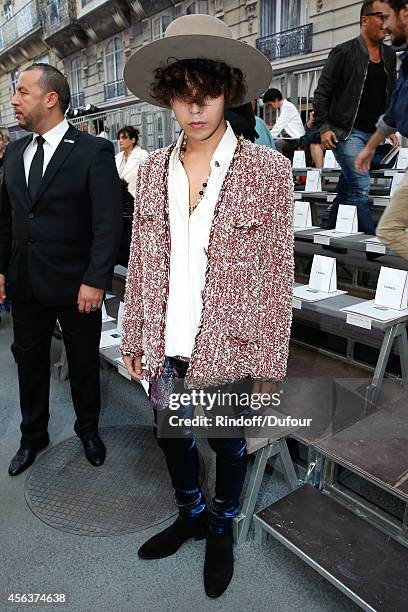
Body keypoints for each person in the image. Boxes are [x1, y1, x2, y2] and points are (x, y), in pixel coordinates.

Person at [120, 14, 293, 599]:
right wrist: (134, 336)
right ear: (169, 97)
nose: (196, 109)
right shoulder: (150, 171)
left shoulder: (267, 171)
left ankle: (222, 526)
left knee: (226, 441)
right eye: (184, 96)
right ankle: (190, 514)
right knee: (171, 433)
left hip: (231, 340)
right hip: (165, 337)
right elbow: (143, 261)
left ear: (228, 91)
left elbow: (275, 276)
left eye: (208, 94)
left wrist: (269, 368)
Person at [0, 63, 122, 476]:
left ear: (50, 98)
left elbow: (108, 223)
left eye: (22, 91)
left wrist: (95, 280)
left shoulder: (93, 151)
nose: (13, 100)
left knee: (83, 362)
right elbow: (7, 219)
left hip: (77, 287)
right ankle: (33, 436)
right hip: (26, 283)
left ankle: (88, 429)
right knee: (28, 363)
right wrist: (2, 270)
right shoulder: (14, 153)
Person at [314, 0, 397, 234]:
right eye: (381, 16)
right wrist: (323, 127)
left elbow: (389, 95)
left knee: (348, 187)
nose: (386, 22)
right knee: (360, 186)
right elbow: (322, 92)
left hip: (372, 135)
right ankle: (375, 242)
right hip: (347, 133)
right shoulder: (344, 52)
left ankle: (330, 232)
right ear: (365, 20)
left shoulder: (389, 56)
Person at [355, 0, 408, 255]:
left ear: (405, 13)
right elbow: (392, 116)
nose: (385, 26)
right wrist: (369, 148)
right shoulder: (405, 59)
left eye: (386, 17)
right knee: (388, 229)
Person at [262, 88, 305, 160]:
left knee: (276, 143)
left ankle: (280, 165)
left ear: (276, 100)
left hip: (297, 139)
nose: (270, 107)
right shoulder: (280, 108)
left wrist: (267, 138)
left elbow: (278, 127)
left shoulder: (287, 107)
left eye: (270, 104)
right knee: (276, 142)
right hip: (290, 138)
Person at [115, 126, 148, 197]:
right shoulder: (117, 157)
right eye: (119, 138)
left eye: (124, 138)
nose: (120, 141)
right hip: (119, 198)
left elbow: (146, 179)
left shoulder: (142, 155)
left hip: (136, 198)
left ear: (133, 140)